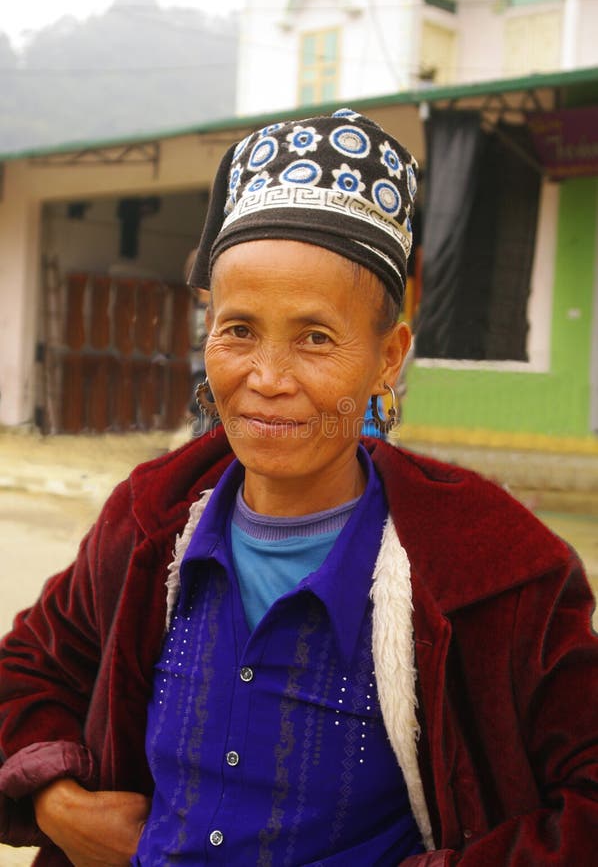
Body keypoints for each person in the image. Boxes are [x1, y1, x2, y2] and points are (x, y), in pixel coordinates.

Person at [0, 111, 596, 867]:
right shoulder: (150, 518)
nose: (267, 380)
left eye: (316, 337)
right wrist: (60, 804)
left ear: (388, 357)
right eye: (239, 330)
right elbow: (29, 668)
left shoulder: (498, 571)